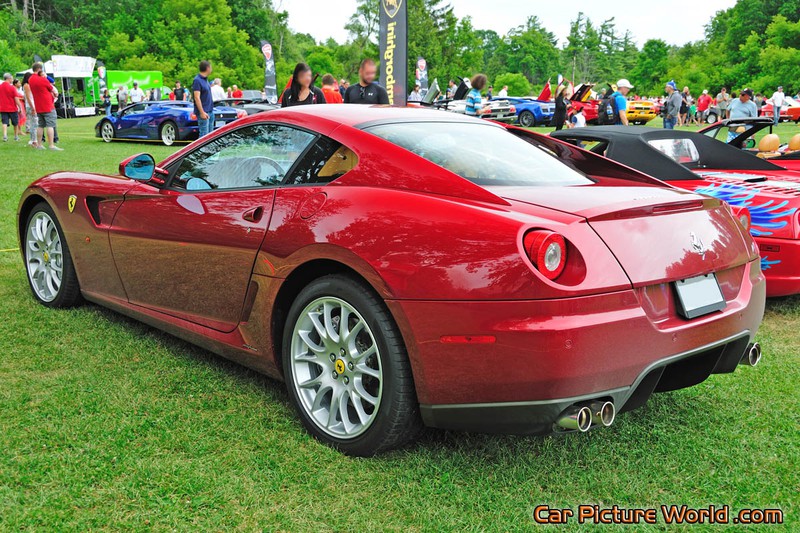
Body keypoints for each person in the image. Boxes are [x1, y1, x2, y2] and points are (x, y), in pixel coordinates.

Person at [28, 63, 61, 150]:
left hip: (38, 106)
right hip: (47, 105)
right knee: (50, 125)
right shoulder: (42, 79)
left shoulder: (30, 79)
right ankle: (51, 145)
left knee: (40, 125)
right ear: (39, 69)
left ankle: (39, 145)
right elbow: (51, 87)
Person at [192, 60, 215, 138]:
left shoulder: (206, 80)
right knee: (204, 136)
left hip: (210, 111)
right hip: (203, 112)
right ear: (207, 68)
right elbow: (196, 97)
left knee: (210, 137)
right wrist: (202, 112)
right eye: (211, 67)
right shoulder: (197, 80)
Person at [1, 73, 21, 142]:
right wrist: (20, 107)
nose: (12, 80)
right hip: (12, 108)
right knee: (15, 122)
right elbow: (16, 98)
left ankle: (5, 136)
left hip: (3, 108)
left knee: (4, 122)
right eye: (11, 78)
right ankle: (16, 136)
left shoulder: (0, 86)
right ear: (8, 79)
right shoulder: (12, 87)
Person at [22, 72, 37, 147]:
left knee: (33, 123)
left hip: (30, 105)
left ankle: (33, 139)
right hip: (30, 106)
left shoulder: (27, 85)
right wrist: (32, 107)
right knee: (33, 123)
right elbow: (28, 97)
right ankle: (33, 139)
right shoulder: (26, 85)